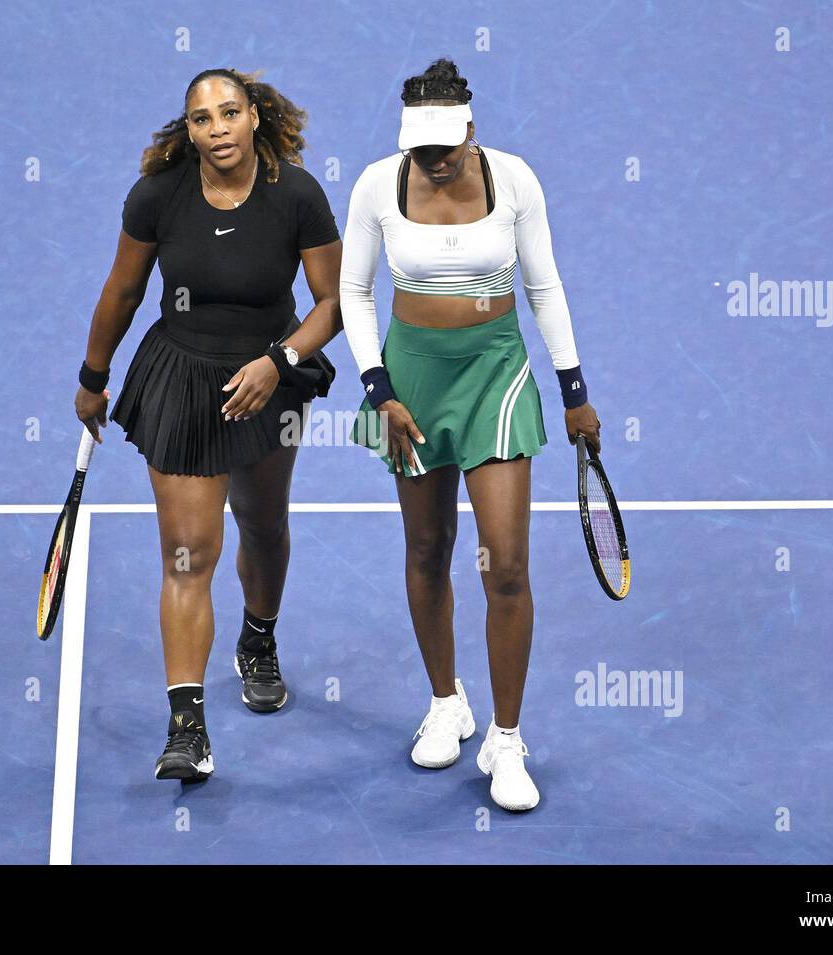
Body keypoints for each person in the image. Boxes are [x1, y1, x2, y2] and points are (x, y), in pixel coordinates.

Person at [341, 58, 602, 811]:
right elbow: (354, 292)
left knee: (507, 565)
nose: (433, 162)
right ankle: (446, 700)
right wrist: (377, 387)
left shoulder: (514, 180)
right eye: (421, 151)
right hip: (410, 381)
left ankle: (507, 737)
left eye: (445, 150)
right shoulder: (375, 186)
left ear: (470, 129)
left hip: (496, 372)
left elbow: (543, 284)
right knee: (426, 549)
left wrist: (574, 389)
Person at [73, 68, 342, 783]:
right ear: (187, 130)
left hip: (268, 380)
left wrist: (277, 361)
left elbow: (332, 304)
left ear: (255, 117)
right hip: (183, 380)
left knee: (263, 524)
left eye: (229, 113)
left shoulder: (298, 196)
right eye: (202, 119)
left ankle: (258, 639)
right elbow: (123, 289)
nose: (217, 128)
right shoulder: (159, 195)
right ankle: (187, 726)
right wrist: (92, 378)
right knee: (188, 551)